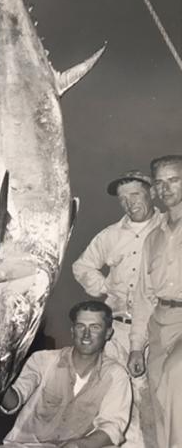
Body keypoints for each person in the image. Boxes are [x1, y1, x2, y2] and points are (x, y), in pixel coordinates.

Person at [72, 170, 162, 447]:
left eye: (135, 194)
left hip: (159, 328)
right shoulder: (110, 235)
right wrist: (103, 288)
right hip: (119, 329)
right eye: (123, 199)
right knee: (117, 397)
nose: (129, 203)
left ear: (152, 193)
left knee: (158, 398)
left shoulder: (170, 228)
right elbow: (82, 266)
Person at [0, 300, 132, 448]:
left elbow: (112, 428)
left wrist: (78, 445)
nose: (86, 334)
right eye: (81, 326)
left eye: (95, 327)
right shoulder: (43, 360)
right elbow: (13, 403)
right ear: (72, 330)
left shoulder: (116, 375)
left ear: (108, 333)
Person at [128, 155, 182, 448]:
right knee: (159, 397)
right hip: (160, 322)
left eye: (173, 180)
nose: (165, 188)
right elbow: (144, 297)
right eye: (159, 182)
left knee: (178, 376)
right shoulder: (153, 239)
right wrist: (136, 347)